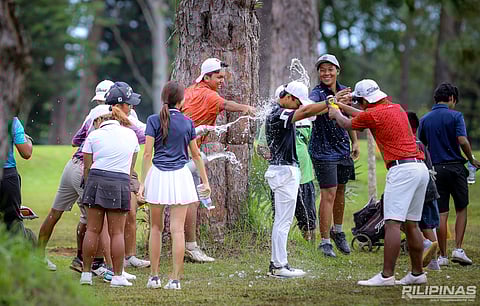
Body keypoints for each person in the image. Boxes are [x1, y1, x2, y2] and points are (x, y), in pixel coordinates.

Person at [328, 79, 429, 286]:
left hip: (402, 170)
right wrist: (339, 105)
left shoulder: (374, 114)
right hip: (420, 168)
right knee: (412, 224)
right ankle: (417, 274)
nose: (360, 105)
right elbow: (365, 115)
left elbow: (347, 123)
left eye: (360, 102)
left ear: (365, 100)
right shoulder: (396, 108)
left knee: (392, 223)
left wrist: (335, 113)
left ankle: (386, 276)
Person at [138, 80, 210, 290]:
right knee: (177, 230)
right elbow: (195, 155)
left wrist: (142, 183)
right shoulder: (188, 123)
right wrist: (205, 181)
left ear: (163, 99)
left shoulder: (153, 120)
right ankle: (175, 280)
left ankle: (153, 277)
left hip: (158, 176)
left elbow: (148, 154)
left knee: (155, 228)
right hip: (180, 176)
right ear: (181, 100)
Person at [181, 58, 255, 263]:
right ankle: (191, 247)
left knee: (182, 199)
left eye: (223, 77)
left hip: (178, 149)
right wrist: (245, 108)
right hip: (187, 151)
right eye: (219, 77)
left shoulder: (190, 90)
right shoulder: (209, 94)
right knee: (192, 200)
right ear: (207, 77)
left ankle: (184, 245)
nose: (223, 81)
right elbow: (225, 104)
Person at [38, 80, 114, 272]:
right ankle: (98, 264)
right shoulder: (112, 114)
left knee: (56, 213)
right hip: (85, 169)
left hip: (72, 165)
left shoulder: (91, 115)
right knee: (97, 219)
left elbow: (75, 141)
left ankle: (39, 256)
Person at [265, 81, 338, 278]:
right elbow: (305, 113)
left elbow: (306, 111)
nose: (299, 106)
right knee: (282, 222)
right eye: (298, 102)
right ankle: (279, 266)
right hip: (283, 172)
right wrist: (331, 102)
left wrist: (329, 104)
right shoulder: (278, 113)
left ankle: (279, 263)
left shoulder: (279, 110)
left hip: (284, 171)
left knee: (283, 221)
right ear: (288, 97)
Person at [79, 88, 140, 287]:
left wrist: (90, 187)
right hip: (119, 182)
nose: (130, 107)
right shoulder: (130, 135)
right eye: (128, 105)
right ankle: (118, 276)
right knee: (117, 233)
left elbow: (87, 168)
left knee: (93, 230)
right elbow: (130, 168)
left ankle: (86, 274)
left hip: (96, 180)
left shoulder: (94, 136)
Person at [418, 83, 480, 266]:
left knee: (442, 213)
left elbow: (421, 145)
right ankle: (458, 250)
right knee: (461, 208)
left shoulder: (425, 119)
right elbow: (462, 140)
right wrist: (471, 158)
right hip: (455, 168)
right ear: (452, 98)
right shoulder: (456, 116)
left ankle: (443, 256)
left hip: (435, 170)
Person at [309, 54, 359, 257]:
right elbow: (310, 109)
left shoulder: (345, 90)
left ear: (338, 71)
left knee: (340, 191)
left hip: (342, 148)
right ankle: (324, 242)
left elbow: (349, 116)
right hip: (323, 150)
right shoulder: (316, 93)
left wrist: (354, 141)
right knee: (328, 194)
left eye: (330, 69)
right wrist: (332, 101)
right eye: (322, 69)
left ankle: (338, 232)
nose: (326, 73)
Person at [407, 112, 441, 271]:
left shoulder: (412, 143)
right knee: (427, 224)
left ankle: (430, 252)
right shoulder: (420, 143)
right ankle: (434, 261)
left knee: (403, 219)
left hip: (423, 188)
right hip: (429, 188)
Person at [0, 117, 33, 236]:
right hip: (6, 175)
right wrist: (27, 139)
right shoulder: (11, 120)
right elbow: (26, 153)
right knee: (12, 222)